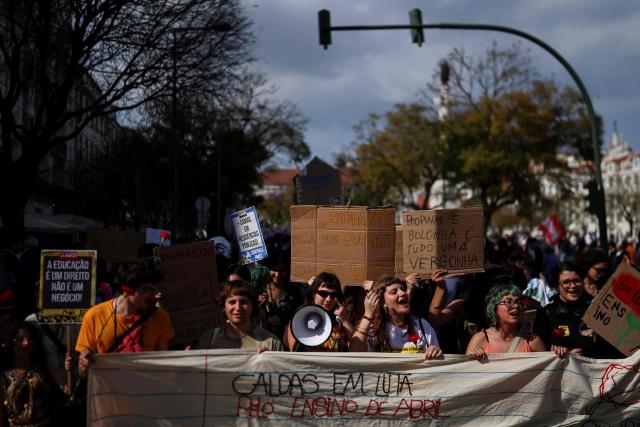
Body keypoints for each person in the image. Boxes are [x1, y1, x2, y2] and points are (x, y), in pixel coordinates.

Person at [75, 259, 174, 378]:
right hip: (107, 394)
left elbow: (165, 369)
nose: (154, 295)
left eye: (154, 289)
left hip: (147, 393)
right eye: (147, 289)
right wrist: (84, 363)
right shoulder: (94, 316)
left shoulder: (160, 318)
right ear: (128, 290)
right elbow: (83, 373)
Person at [351, 274, 442, 360]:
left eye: (403, 289)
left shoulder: (423, 326)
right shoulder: (373, 331)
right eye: (394, 292)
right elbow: (355, 353)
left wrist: (436, 353)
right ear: (383, 303)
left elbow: (438, 366)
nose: (402, 293)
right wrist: (368, 314)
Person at [0, 321, 71, 426]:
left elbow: (67, 390)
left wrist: (68, 369)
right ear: (10, 342)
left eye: (30, 338)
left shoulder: (44, 364)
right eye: (20, 339)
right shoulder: (3, 374)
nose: (26, 343)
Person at [194, 280, 283, 351]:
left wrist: (268, 363)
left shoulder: (271, 343)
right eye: (232, 302)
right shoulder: (208, 340)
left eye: (243, 302)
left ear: (252, 306)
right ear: (224, 306)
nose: (238, 308)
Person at [533, 262, 596, 357]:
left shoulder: (595, 308)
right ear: (557, 286)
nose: (573, 286)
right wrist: (555, 351)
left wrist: (587, 353)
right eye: (566, 282)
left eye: (576, 281)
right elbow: (538, 349)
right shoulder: (547, 313)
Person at [466, 284, 546, 358]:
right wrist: (471, 360)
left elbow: (549, 371)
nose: (516, 306)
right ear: (494, 308)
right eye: (508, 302)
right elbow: (466, 371)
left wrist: (557, 353)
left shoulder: (533, 341)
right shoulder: (480, 339)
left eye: (518, 302)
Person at [284, 272, 350, 352]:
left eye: (333, 295)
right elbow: (296, 354)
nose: (328, 299)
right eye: (323, 293)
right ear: (313, 293)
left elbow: (357, 347)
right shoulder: (299, 319)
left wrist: (345, 321)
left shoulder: (340, 321)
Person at [258, 262, 305, 343]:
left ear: (287, 272)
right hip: (266, 338)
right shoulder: (261, 289)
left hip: (289, 337)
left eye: (281, 271)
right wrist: (259, 305)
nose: (277, 274)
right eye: (274, 270)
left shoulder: (295, 290)